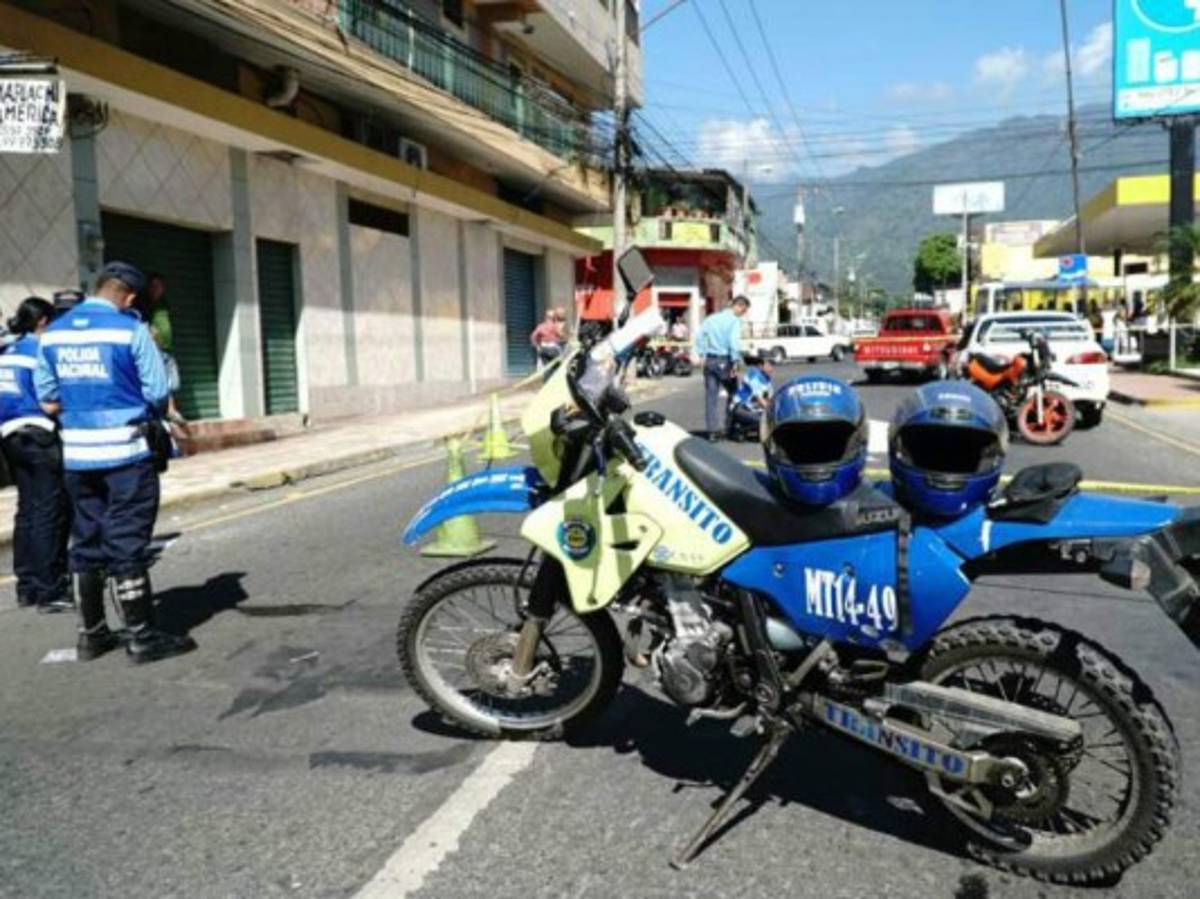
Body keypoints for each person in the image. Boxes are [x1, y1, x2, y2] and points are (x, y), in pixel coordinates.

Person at [36, 261, 195, 664]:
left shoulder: (52, 335)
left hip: (77, 455)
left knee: (86, 541)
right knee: (126, 541)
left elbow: (48, 399)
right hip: (126, 453)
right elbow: (159, 391)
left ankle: (92, 636)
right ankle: (141, 637)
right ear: (127, 296)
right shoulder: (131, 330)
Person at [0, 297, 71, 613]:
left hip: (10, 438)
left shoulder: (6, 352)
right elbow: (51, 400)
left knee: (27, 510)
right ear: (42, 320)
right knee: (48, 512)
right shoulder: (40, 350)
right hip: (39, 433)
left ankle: (27, 585)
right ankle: (49, 589)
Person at [694, 295, 750, 439]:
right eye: (743, 311)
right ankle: (729, 426)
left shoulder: (711, 318)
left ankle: (712, 431)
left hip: (710, 361)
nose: (743, 314)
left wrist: (701, 354)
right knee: (734, 394)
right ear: (740, 306)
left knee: (711, 396)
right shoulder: (734, 321)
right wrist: (736, 361)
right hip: (725, 360)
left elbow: (700, 336)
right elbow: (733, 342)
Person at [726, 353, 774, 441]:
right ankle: (738, 429)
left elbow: (769, 399)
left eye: (772, 364)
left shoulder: (767, 379)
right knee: (766, 421)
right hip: (740, 408)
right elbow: (760, 399)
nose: (772, 367)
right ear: (761, 365)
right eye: (769, 364)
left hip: (753, 408)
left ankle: (757, 430)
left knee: (769, 420)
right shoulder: (754, 376)